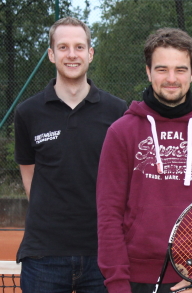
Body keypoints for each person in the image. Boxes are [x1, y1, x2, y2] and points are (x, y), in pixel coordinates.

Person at [96, 28, 192, 293]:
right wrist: (117, 284)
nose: (171, 79)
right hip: (135, 281)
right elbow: (109, 215)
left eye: (180, 70)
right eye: (162, 69)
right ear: (148, 72)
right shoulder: (120, 132)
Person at [13, 17, 127, 292]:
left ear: (90, 53)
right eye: (63, 47)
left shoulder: (117, 111)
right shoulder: (28, 113)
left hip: (103, 254)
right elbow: (30, 177)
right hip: (44, 256)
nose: (72, 54)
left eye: (79, 47)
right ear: (52, 55)